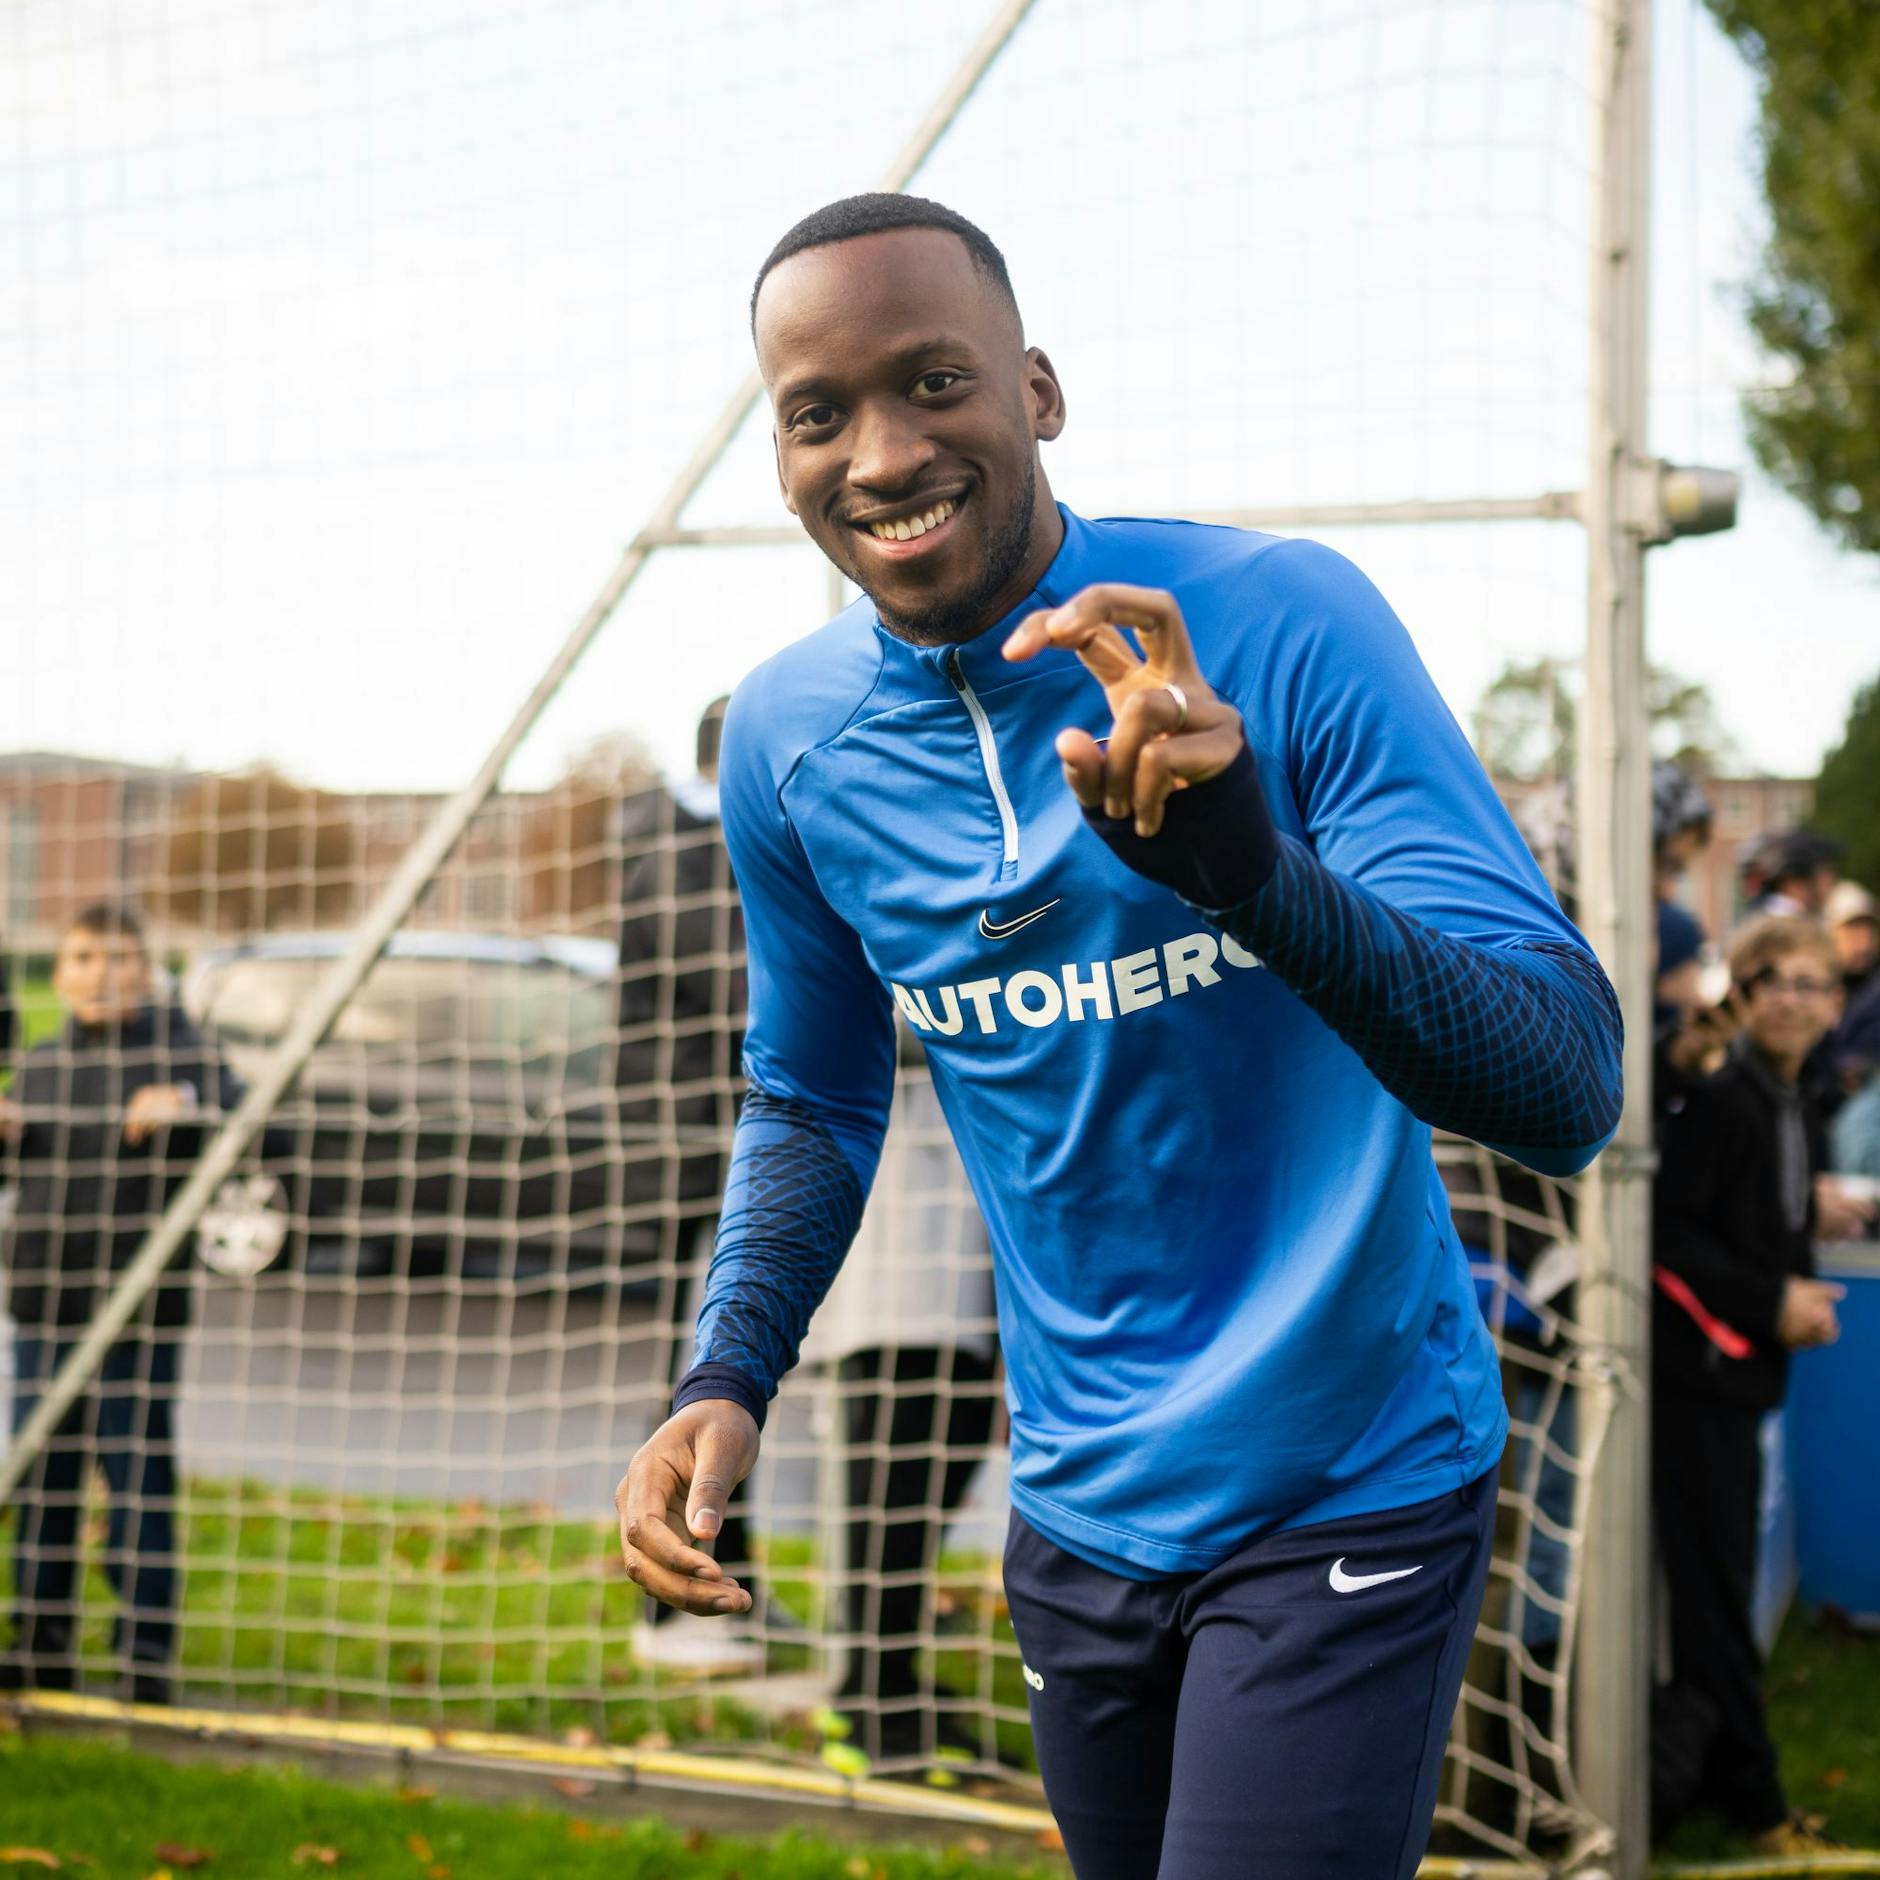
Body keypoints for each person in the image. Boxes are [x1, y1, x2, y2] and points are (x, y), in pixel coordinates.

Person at [613, 193, 1621, 1880]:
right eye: (816, 414)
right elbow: (813, 1094)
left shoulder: (1285, 623)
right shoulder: (788, 743)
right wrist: (730, 1368)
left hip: (1347, 1476)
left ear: (1039, 394)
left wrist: (1244, 871)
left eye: (934, 384)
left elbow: (1563, 1085)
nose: (879, 453)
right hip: (1073, 1506)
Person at [0, 902, 244, 1704]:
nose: (100, 973)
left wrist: (182, 1103)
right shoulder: (37, 1064)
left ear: (147, 969)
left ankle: (145, 1654)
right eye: (81, 957)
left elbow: (246, 1117)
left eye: (118, 957)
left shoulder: (185, 1058)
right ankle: (41, 1642)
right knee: (43, 1475)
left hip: (137, 1311)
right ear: (60, 972)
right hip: (44, 1303)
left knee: (135, 1474)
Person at [1650, 916, 1847, 1855]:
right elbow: (1669, 1239)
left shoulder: (1798, 1100)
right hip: (1698, 1387)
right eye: (1771, 980)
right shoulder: (1726, 1100)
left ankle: (1725, 1789)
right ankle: (1758, 1806)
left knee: (1720, 1598)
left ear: (1836, 1003)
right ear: (1743, 993)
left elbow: (1765, 1213)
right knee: (1718, 1603)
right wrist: (1770, 1302)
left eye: (1810, 983)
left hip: (1748, 1385)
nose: (1789, 998)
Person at [613, 697, 768, 1676]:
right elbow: (754, 998)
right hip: (696, 1158)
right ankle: (672, 1611)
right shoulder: (691, 853)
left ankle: (730, 1589)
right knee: (702, 1377)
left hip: (711, 1148)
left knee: (733, 1376)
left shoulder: (692, 840)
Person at [797, 1035, 998, 1771]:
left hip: (973, 1208)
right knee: (889, 1482)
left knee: (952, 1445)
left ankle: (892, 1683)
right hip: (902, 1243)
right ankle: (865, 1706)